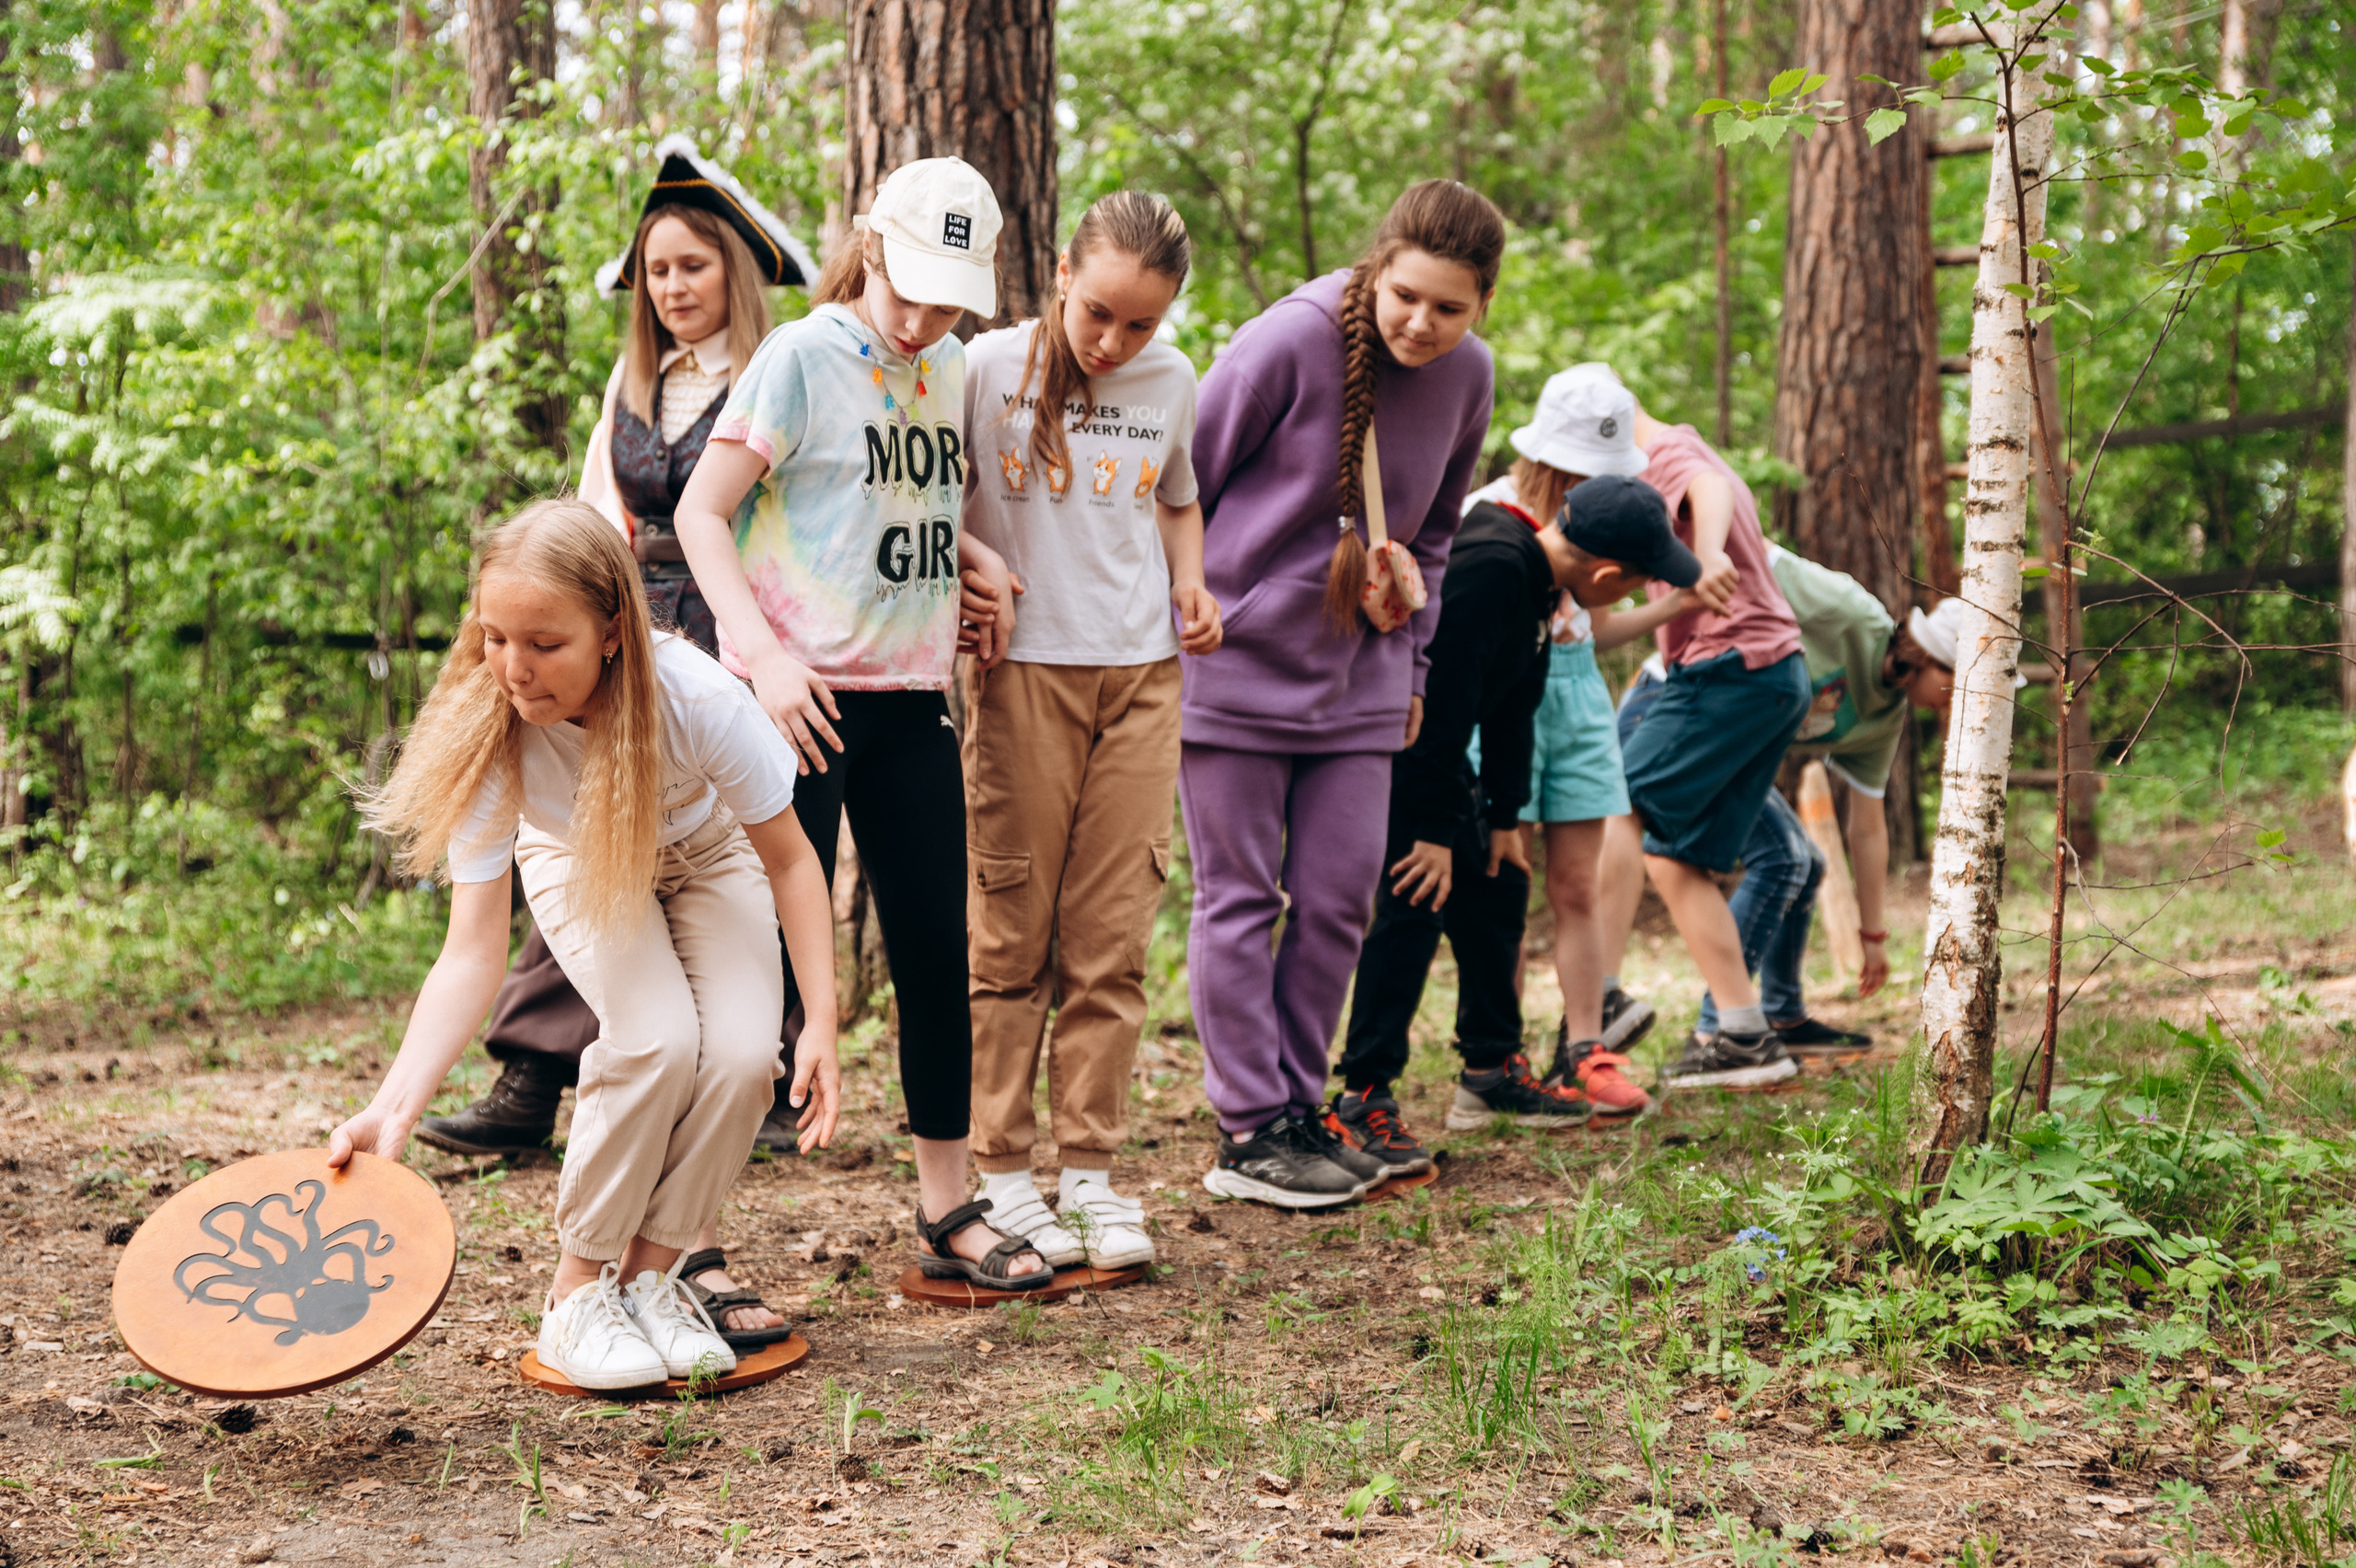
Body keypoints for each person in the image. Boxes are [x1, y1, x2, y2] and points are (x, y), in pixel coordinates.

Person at [417, 137, 814, 1349]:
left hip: (717, 637)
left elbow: (786, 856)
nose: (672, 288)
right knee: (641, 1006)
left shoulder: (777, 373)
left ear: (734, 270)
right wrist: (560, 620)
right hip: (614, 620)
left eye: (693, 265)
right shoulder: (633, 388)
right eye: (656, 271)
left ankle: (663, 1267)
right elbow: (595, 507)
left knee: (732, 1037)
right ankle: (575, 1244)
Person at [327, 500, 841, 1391]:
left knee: (741, 1056)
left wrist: (822, 1023)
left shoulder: (698, 699)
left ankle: (649, 1283)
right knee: (655, 1040)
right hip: (576, 857)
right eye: (494, 638)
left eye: (544, 644)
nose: (514, 669)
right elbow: (472, 951)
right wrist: (395, 1106)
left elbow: (793, 863)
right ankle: (575, 1298)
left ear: (611, 632)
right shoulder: (491, 731)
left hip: (707, 855)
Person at [673, 156, 1052, 1291]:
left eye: (950, 302)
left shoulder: (949, 366)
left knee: (935, 951)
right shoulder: (802, 355)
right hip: (794, 703)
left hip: (910, 699)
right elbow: (702, 515)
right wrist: (767, 660)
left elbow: (905, 499)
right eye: (911, 290)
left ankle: (947, 1209)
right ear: (871, 247)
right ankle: (686, 1236)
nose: (925, 320)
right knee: (756, 974)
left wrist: (975, 564)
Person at [1182, 179, 1506, 1208]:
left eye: (1448, 308)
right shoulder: (1289, 340)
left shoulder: (1470, 377)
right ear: (1377, 271)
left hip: (1365, 672)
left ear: (1483, 305)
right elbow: (1182, 486)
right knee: (1241, 897)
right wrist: (1186, 615)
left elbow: (1438, 536)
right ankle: (1249, 1127)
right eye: (1406, 296)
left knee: (1334, 900)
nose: (1421, 324)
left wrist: (1413, 668)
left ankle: (1297, 1104)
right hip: (1237, 661)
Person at [956, 193, 1221, 1270]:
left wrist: (1191, 582)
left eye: (1140, 323)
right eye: (1099, 313)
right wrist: (967, 578)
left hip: (1141, 676)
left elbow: (1176, 498)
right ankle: (1000, 1172)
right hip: (1022, 675)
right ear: (1062, 275)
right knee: (1010, 935)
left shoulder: (1172, 380)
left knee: (1112, 939)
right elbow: (934, 501)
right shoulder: (982, 368)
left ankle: (1093, 1178)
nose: (1114, 342)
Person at [1333, 474, 1701, 1164]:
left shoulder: (1537, 574)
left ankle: (1491, 1068)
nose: (1627, 596)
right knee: (1416, 900)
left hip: (1441, 762)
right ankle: (1363, 1094)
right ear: (1608, 574)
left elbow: (1513, 703)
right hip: (1398, 748)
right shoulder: (1495, 566)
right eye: (1634, 584)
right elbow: (1442, 701)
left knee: (1499, 881)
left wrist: (1503, 815)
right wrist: (1434, 833)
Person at [1456, 366, 1702, 1126]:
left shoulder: (1609, 523)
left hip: (1577, 704)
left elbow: (1593, 626)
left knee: (1577, 883)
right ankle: (1495, 1055)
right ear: (1551, 463)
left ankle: (1587, 1049)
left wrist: (1680, 601)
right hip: (1504, 702)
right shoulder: (1490, 516)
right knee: (1501, 877)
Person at [1600, 571, 1969, 1058]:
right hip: (1671, 701)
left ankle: (1780, 1015)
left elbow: (1867, 827)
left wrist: (1872, 935)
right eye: (1955, 680)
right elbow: (1750, 562)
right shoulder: (1850, 612)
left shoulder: (1884, 719)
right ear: (1926, 654)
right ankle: (1720, 1034)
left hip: (1729, 739)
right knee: (1783, 857)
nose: (1956, 698)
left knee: (1805, 861)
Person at [1599, 375, 1812, 1093]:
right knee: (1674, 857)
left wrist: (1710, 553)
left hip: (1728, 666)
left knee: (1615, 800)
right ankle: (1745, 1034)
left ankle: (1598, 997)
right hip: (1772, 673)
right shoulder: (1675, 450)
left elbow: (1706, 489)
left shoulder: (1661, 453)